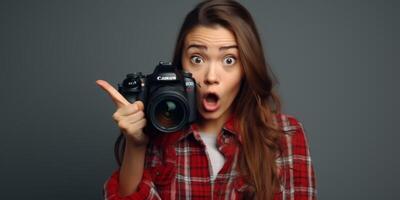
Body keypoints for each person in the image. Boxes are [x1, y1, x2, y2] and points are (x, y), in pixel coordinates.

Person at [96, 0, 317, 199]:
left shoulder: (285, 134)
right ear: (181, 66)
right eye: (197, 58)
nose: (211, 77)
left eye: (229, 59)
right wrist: (136, 144)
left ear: (247, 67)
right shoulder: (156, 131)